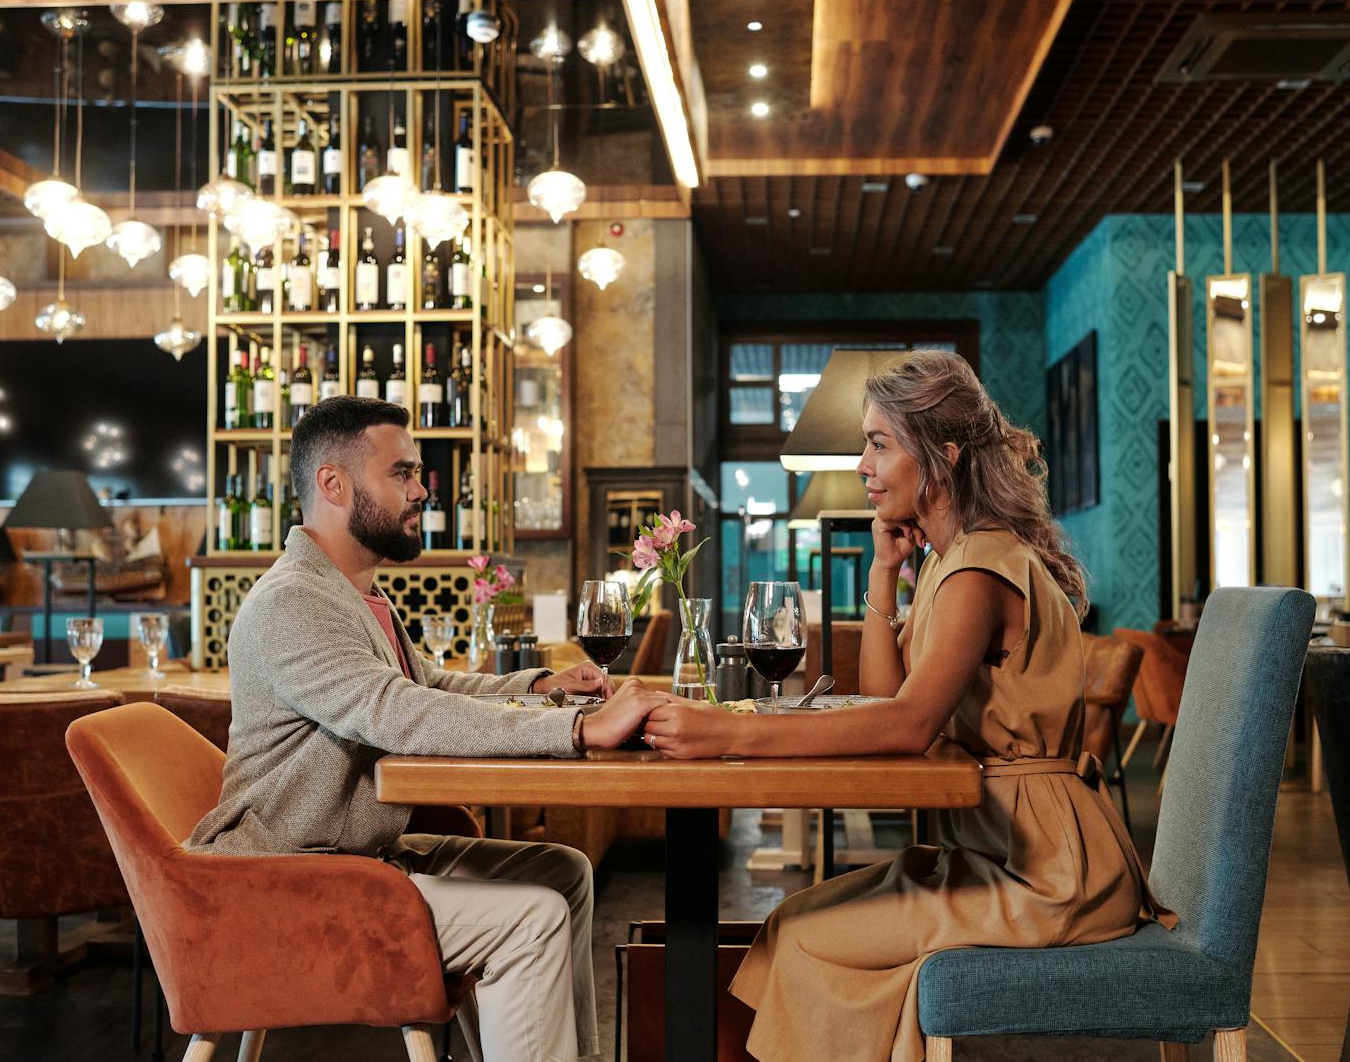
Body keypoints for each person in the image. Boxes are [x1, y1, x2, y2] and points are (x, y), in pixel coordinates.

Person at [642, 351, 1174, 1061]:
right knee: (787, 922)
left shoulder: (981, 566)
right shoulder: (949, 562)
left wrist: (723, 730)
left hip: (1049, 870)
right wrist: (886, 573)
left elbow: (905, 724)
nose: (861, 463)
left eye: (879, 443)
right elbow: (886, 697)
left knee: (804, 937)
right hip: (995, 848)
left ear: (942, 456)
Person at [188, 397, 668, 1062]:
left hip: (356, 860)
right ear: (334, 483)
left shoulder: (357, 593)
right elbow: (398, 712)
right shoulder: (293, 599)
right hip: (288, 881)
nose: (422, 491)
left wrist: (541, 690)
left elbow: (430, 689)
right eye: (403, 473)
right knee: (532, 918)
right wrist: (579, 733)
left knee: (562, 871)